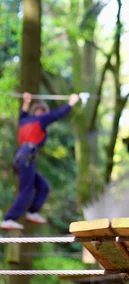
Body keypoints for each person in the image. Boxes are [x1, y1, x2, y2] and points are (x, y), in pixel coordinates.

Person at [1, 92, 80, 230]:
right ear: (39, 111)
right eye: (43, 112)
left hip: (22, 158)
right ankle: (9, 218)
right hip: (26, 157)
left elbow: (22, 114)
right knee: (26, 189)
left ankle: (32, 212)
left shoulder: (25, 120)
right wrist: (72, 102)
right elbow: (57, 114)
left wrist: (26, 102)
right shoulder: (40, 119)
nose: (44, 115)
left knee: (43, 186)